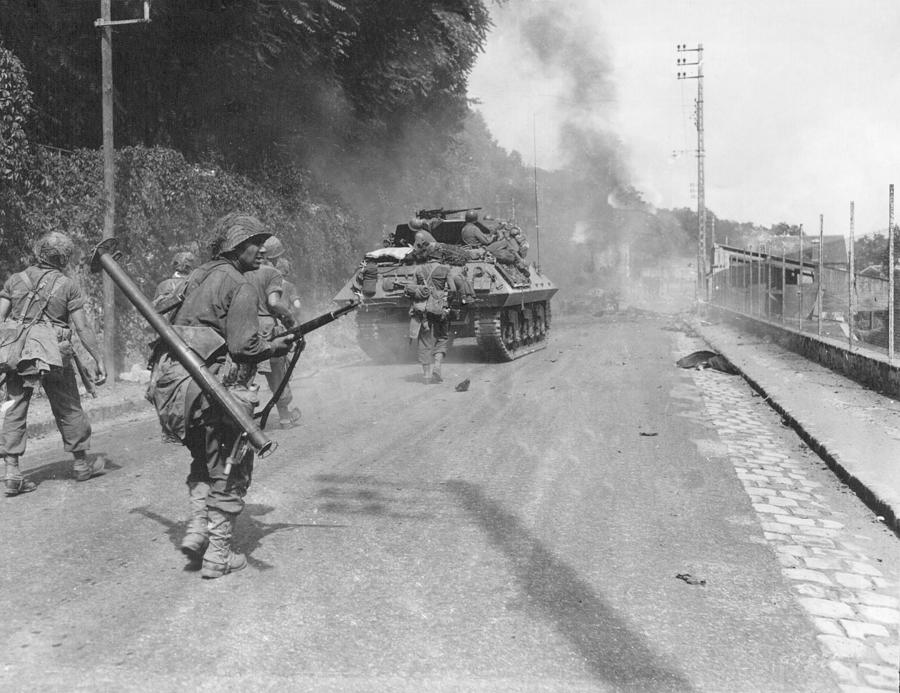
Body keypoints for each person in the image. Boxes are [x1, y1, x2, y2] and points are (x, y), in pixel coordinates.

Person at [146, 213, 294, 578]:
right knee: (232, 466)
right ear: (234, 247)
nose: (260, 250)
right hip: (217, 391)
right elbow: (245, 347)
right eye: (252, 243)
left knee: (204, 461)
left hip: (178, 388)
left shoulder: (197, 276)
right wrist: (275, 347)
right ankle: (218, 554)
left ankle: (198, 532)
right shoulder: (239, 285)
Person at [0, 232, 107, 496]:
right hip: (55, 353)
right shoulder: (67, 285)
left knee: (15, 406)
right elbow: (81, 326)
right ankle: (81, 465)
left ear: (39, 253)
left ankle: (12, 472)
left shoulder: (16, 280)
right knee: (68, 405)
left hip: (20, 354)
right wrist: (98, 358)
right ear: (64, 258)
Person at [247, 236, 302, 429]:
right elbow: (274, 303)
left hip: (244, 327)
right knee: (277, 374)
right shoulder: (271, 272)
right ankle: (285, 417)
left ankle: (245, 409)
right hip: (268, 328)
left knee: (246, 373)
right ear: (276, 256)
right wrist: (289, 317)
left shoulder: (243, 272)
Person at [406, 248, 463, 384]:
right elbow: (453, 289)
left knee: (424, 341)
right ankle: (437, 367)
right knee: (442, 337)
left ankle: (426, 376)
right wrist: (447, 302)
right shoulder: (445, 269)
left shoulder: (419, 269)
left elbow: (412, 288)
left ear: (428, 258)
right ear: (440, 258)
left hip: (422, 309)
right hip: (438, 309)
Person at [274, 257, 302, 324]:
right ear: (287, 272)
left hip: (274, 321)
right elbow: (297, 305)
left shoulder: (270, 285)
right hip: (286, 320)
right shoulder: (290, 286)